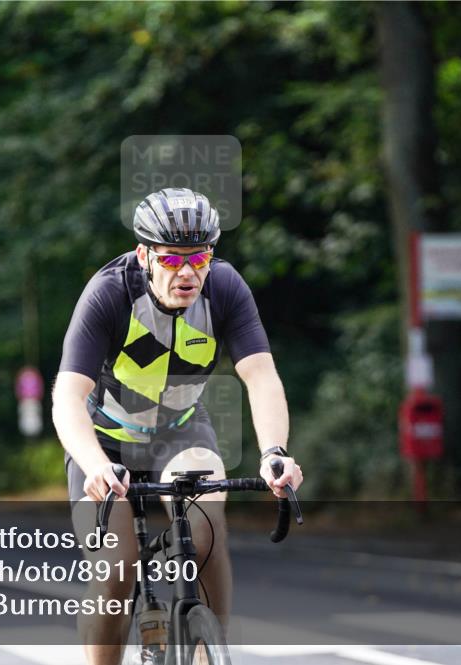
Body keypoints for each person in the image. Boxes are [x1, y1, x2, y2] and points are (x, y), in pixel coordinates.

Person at [52, 187, 303, 665]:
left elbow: (261, 375)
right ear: (145, 255)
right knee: (115, 566)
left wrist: (274, 452)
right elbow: (68, 397)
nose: (188, 272)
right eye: (171, 260)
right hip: (105, 442)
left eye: (200, 257)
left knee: (206, 530)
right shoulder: (109, 292)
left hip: (180, 432)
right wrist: (94, 465)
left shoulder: (225, 288)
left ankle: (209, 651)